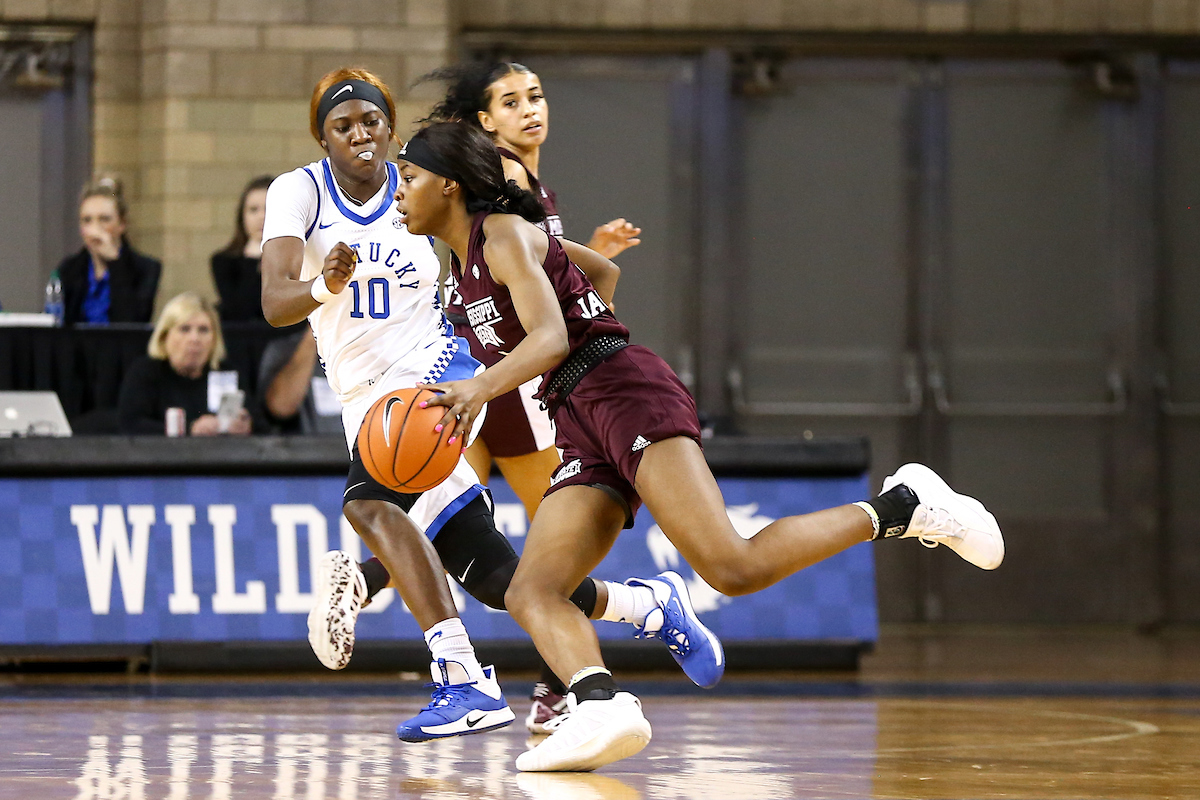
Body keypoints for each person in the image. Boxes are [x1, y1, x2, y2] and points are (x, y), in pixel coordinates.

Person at [395, 121, 1005, 772]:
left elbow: (548, 338)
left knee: (730, 567)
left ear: (449, 186)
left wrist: (489, 383)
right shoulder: (455, 274)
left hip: (622, 387)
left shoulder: (505, 235)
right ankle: (601, 706)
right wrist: (572, 313)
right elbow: (594, 269)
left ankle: (903, 507)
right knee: (531, 590)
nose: (397, 191)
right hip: (573, 413)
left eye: (408, 178)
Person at [259, 67, 720, 744]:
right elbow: (274, 303)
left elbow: (574, 266)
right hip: (361, 397)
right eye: (343, 124)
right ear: (321, 136)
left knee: (370, 502)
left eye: (372, 121)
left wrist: (553, 338)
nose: (361, 133)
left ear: (391, 128)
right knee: (499, 577)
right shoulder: (300, 192)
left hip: (434, 383)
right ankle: (644, 605)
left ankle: (463, 679)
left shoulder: (433, 193)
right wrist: (325, 286)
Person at [422, 62, 643, 729]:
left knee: (525, 552)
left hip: (520, 384)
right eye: (511, 101)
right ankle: (566, 674)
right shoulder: (501, 178)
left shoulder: (524, 186)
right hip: (489, 381)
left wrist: (583, 288)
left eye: (537, 96)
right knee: (456, 528)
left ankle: (564, 682)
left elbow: (578, 294)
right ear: (484, 122)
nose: (529, 109)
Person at [117, 292, 261, 435]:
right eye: (184, 329)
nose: (194, 339)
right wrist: (190, 430)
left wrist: (247, 425)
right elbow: (131, 425)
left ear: (214, 339)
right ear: (164, 336)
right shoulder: (146, 372)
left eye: (203, 330)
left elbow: (262, 426)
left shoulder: (226, 372)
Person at [58, 175, 160, 326]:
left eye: (104, 219)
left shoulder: (145, 269)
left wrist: (115, 263)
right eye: (87, 220)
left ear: (122, 224)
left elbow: (132, 322)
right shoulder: (69, 269)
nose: (95, 229)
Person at [212, 175, 274, 323]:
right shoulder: (223, 261)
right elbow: (240, 311)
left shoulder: (301, 258)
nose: (262, 217)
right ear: (242, 216)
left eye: (269, 208)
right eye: (253, 210)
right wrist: (253, 259)